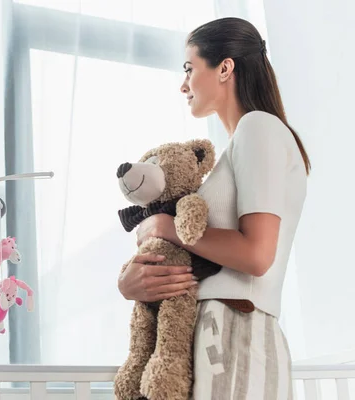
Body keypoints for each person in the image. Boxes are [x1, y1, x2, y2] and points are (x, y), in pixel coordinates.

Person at [117, 17, 310, 399]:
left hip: (236, 327)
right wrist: (132, 284)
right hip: (216, 330)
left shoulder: (258, 128)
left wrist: (162, 225)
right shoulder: (237, 148)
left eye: (189, 68)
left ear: (225, 68)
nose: (183, 84)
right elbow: (201, 255)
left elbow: (256, 255)